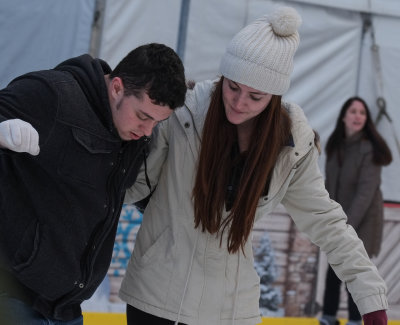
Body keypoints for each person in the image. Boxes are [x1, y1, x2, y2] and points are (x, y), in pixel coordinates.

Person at [119, 7, 388, 325]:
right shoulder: (184, 113)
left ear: (274, 96)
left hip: (230, 308)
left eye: (255, 96)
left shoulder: (289, 143)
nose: (239, 101)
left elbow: (325, 220)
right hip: (156, 296)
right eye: (232, 87)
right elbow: (135, 183)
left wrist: (369, 294)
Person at [0, 43, 186, 325]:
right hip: (14, 295)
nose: (147, 130)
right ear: (117, 88)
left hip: (67, 310)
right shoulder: (53, 94)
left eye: (157, 122)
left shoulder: (133, 135)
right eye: (143, 116)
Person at [319, 97, 392, 325]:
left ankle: (354, 319)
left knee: (356, 272)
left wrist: (344, 225)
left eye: (362, 112)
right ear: (343, 117)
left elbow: (365, 193)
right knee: (333, 269)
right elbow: (329, 185)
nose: (358, 116)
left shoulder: (368, 150)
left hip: (364, 222)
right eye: (353, 111)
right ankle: (328, 316)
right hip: (340, 220)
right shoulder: (335, 147)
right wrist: (328, 218)